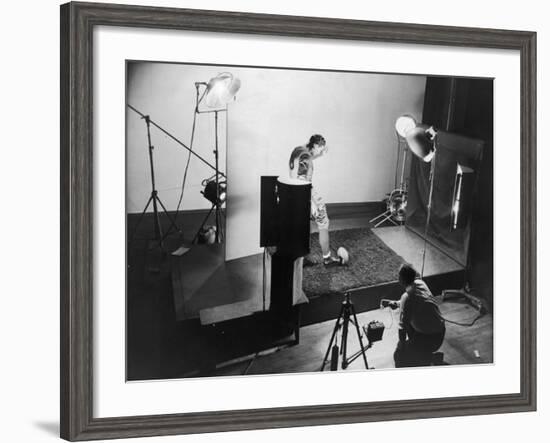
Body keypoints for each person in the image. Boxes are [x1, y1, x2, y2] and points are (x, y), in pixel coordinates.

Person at [288, 134, 341, 266]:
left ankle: (301, 258)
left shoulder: (298, 150)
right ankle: (327, 259)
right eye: (321, 150)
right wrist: (311, 203)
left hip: (294, 193)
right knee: (323, 222)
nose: (321, 153)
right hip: (304, 193)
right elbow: (301, 180)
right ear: (315, 146)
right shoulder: (306, 157)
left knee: (303, 226)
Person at [388, 263, 446, 367]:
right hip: (440, 332)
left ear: (401, 279)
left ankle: (427, 358)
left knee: (399, 356)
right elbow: (418, 301)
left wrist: (401, 346)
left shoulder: (407, 298)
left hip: (430, 339)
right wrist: (398, 303)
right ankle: (423, 354)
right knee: (411, 326)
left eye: (399, 276)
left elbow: (402, 329)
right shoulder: (420, 283)